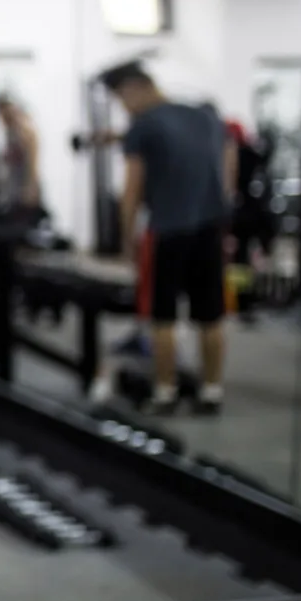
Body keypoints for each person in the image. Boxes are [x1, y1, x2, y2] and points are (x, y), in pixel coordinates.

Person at [99, 62, 235, 415]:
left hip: (167, 231)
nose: (124, 107)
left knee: (163, 317)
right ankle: (211, 392)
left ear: (134, 88)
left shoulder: (143, 126)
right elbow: (227, 165)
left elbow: (131, 190)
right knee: (211, 314)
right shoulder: (205, 116)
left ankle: (165, 393)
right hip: (210, 227)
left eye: (122, 99)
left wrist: (126, 241)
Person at [0, 94, 41, 214]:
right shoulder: (10, 131)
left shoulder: (25, 129)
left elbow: (33, 160)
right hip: (14, 188)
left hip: (25, 187)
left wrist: (30, 184)